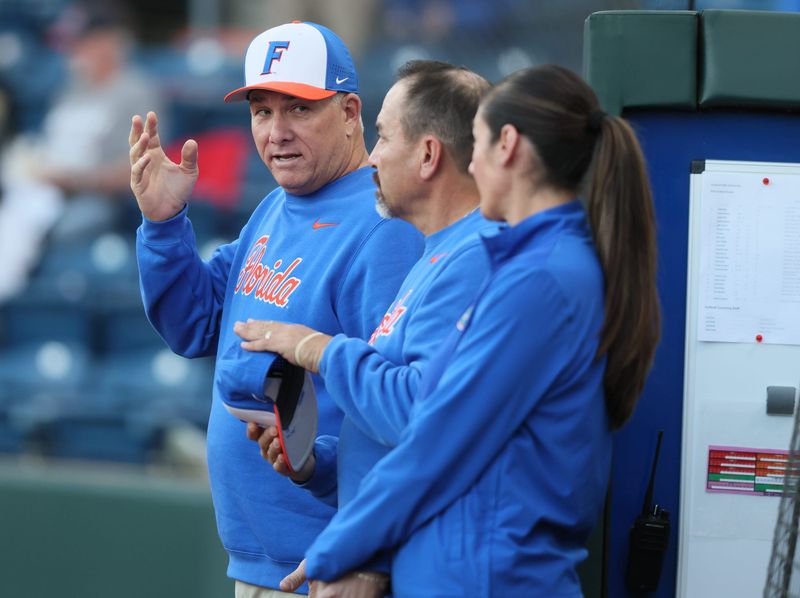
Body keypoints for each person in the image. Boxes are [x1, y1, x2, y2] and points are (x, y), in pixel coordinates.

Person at [250, 64, 662, 596]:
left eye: (479, 144)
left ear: (506, 145)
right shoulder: (529, 262)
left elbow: (436, 435)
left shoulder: (539, 275)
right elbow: (438, 427)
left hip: (489, 578)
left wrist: (345, 550)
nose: (469, 161)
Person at [128, 21, 422, 597]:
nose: (277, 132)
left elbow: (401, 408)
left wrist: (367, 550)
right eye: (262, 111)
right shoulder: (275, 205)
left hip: (329, 563)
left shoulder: (386, 224)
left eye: (299, 109)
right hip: (262, 561)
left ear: (349, 111)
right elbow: (196, 325)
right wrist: (163, 227)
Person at [233, 59, 494, 595]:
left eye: (382, 136)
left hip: (440, 568)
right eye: (263, 113)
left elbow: (427, 420)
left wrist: (319, 350)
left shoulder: (474, 260)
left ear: (428, 154)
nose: (372, 157)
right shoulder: (437, 252)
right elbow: (386, 433)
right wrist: (320, 465)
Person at [0, 0, 161, 301]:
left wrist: (74, 180)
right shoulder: (71, 89)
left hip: (92, 198)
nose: (76, 51)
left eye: (84, 42)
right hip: (40, 191)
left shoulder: (135, 91)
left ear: (110, 42)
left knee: (53, 231)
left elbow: (141, 168)